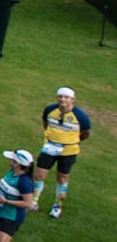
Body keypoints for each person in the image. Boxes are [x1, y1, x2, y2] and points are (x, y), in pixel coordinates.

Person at [31, 86, 91, 219]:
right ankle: (34, 201)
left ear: (73, 100)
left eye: (66, 97)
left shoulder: (81, 116)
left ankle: (57, 205)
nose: (62, 99)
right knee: (39, 174)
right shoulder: (50, 110)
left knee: (62, 177)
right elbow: (45, 123)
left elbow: (86, 133)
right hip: (50, 147)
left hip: (69, 151)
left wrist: (72, 140)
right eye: (60, 96)